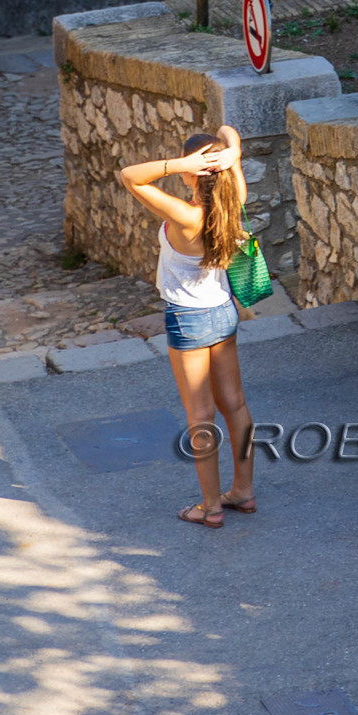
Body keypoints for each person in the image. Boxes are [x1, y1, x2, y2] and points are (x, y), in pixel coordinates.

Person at [117, 125, 257, 528]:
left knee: (200, 415)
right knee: (236, 405)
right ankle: (243, 492)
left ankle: (211, 507)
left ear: (191, 173)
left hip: (188, 318)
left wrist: (181, 163)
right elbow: (228, 129)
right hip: (223, 312)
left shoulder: (184, 214)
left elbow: (129, 175)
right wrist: (233, 153)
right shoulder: (235, 200)